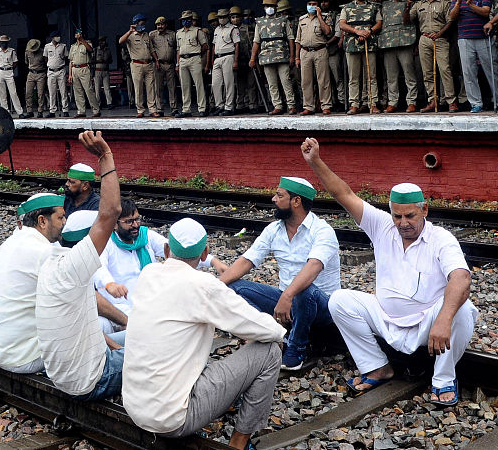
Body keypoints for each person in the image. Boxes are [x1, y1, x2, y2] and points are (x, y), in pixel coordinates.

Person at [301, 137, 477, 407]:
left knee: (462, 308)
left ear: (424, 210)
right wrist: (315, 162)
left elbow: (461, 278)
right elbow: (343, 194)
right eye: (397, 216)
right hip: (386, 318)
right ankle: (377, 367)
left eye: (410, 216)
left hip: (426, 321)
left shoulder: (441, 238)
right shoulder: (383, 226)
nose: (403, 223)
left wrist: (443, 319)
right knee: (339, 300)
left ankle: (443, 378)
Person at [122, 218, 285, 448]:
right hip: (172, 420)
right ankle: (239, 442)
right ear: (204, 253)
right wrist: (280, 334)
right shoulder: (203, 284)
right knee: (269, 351)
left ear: (167, 250)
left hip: (135, 408)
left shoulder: (148, 273)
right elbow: (263, 327)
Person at [37, 130, 126, 400]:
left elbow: (91, 328)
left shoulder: (52, 257)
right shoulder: (76, 266)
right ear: (88, 241)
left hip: (65, 373)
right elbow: (111, 213)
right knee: (163, 355)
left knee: (134, 341)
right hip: (91, 380)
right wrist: (106, 157)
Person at [219, 177, 341, 371]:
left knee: (304, 288)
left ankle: (296, 349)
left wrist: (287, 295)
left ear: (296, 201)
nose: (274, 199)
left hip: (322, 307)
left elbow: (314, 267)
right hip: (288, 304)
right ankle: (277, 336)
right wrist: (214, 287)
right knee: (234, 288)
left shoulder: (322, 231)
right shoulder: (274, 230)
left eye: (279, 195)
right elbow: (247, 260)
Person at [0, 192, 67, 373]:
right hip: (21, 359)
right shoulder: (44, 252)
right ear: (42, 221)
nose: (65, 222)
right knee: (101, 326)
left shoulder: (10, 242)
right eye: (60, 217)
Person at [95, 197, 213, 321]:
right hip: (120, 309)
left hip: (150, 305)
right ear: (114, 224)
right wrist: (110, 284)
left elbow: (179, 251)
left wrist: (212, 261)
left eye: (137, 219)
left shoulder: (145, 236)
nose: (135, 225)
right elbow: (98, 267)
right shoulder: (106, 244)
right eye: (129, 221)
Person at [449, 0, 498, 112]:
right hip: (465, 38)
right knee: (469, 72)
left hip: (483, 36)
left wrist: (471, 4)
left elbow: (485, 12)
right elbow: (452, 17)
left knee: (492, 70)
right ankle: (476, 103)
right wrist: (459, 2)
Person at [407, 0, 458, 112]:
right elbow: (407, 20)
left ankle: (451, 101)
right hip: (424, 39)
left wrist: (439, 33)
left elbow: (450, 21)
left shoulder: (444, 2)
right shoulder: (419, 4)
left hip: (440, 38)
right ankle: (432, 101)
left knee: (445, 70)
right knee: (427, 72)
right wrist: (407, 5)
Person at [377, 0, 420, 112]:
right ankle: (393, 102)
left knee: (409, 74)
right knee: (391, 77)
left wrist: (408, 5)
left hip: (406, 43)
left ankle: (412, 102)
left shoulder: (413, 4)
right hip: (388, 44)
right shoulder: (384, 5)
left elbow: (417, 24)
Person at [340, 0, 382, 114]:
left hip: (369, 44)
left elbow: (379, 23)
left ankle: (372, 103)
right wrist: (356, 31)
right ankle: (354, 104)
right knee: (354, 77)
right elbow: (342, 24)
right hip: (352, 44)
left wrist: (369, 32)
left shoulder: (374, 7)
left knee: (371, 76)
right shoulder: (346, 8)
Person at [252, 0, 298, 115]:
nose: (269, 8)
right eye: (267, 6)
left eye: (272, 6)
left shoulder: (284, 20)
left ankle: (291, 105)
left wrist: (292, 56)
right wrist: (253, 58)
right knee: (272, 84)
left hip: (282, 55)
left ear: (276, 7)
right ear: (264, 7)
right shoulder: (259, 22)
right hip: (266, 56)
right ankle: (277, 106)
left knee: (286, 81)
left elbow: (291, 39)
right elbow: (256, 41)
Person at [294, 0, 334, 115]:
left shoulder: (326, 17)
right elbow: (298, 40)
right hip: (305, 52)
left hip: (320, 50)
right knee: (306, 81)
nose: (311, 6)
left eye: (314, 4)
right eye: (309, 4)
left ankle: (325, 105)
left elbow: (327, 32)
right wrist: (296, 57)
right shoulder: (302, 19)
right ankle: (308, 107)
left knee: (323, 80)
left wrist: (320, 16)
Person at [119, 14, 160, 117]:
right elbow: (120, 41)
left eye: (143, 22)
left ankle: (152, 110)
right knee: (138, 88)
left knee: (150, 87)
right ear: (136, 23)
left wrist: (156, 60)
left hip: (149, 64)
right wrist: (130, 31)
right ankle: (140, 110)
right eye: (141, 22)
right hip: (137, 64)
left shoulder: (147, 35)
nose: (143, 24)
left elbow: (152, 49)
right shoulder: (131, 36)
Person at [175, 10, 210, 117]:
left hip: (194, 58)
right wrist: (177, 63)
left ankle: (202, 108)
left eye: (188, 19)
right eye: (184, 20)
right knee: (184, 86)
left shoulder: (197, 31)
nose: (186, 21)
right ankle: (186, 109)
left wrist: (197, 54)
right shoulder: (178, 33)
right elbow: (178, 50)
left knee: (198, 84)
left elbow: (205, 46)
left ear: (192, 20)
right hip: (183, 60)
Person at [211, 8, 241, 115]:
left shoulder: (233, 28)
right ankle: (219, 105)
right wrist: (212, 60)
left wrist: (235, 60)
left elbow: (237, 45)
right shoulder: (216, 30)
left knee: (229, 83)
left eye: (223, 17)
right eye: (220, 17)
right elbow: (214, 45)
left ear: (228, 17)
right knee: (215, 84)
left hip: (228, 56)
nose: (221, 19)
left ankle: (229, 106)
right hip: (217, 57)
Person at [320, 0, 346, 109]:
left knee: (338, 78)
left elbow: (336, 35)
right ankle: (330, 102)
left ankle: (342, 101)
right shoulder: (317, 16)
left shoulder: (336, 15)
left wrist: (325, 44)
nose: (323, 3)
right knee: (324, 80)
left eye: (326, 1)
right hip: (320, 53)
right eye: (322, 1)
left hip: (332, 50)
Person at [232, 7, 259, 113]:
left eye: (237, 17)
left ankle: (252, 105)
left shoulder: (248, 28)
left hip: (248, 58)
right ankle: (240, 105)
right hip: (238, 60)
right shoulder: (231, 29)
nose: (235, 19)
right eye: (233, 17)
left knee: (251, 84)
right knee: (239, 85)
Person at [69, 28, 101, 118]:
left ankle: (96, 110)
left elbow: (90, 50)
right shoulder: (73, 46)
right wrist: (70, 74)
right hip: (75, 68)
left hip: (84, 68)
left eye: (79, 33)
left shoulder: (87, 43)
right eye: (76, 33)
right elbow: (71, 61)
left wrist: (82, 40)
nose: (77, 35)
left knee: (88, 90)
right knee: (77, 91)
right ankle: (81, 111)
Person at [151, 17, 179, 116]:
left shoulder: (172, 34)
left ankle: (174, 108)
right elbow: (150, 49)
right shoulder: (152, 35)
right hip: (159, 64)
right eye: (158, 25)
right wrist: (155, 60)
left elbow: (177, 49)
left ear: (166, 25)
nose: (160, 26)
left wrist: (177, 64)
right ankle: (160, 109)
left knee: (172, 87)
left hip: (170, 64)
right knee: (158, 88)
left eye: (162, 24)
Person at [0, 35, 24, 117]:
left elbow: (15, 62)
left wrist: (10, 69)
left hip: (9, 71)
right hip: (0, 71)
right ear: (0, 43)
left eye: (5, 42)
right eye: (2, 42)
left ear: (7, 43)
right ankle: (5, 112)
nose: (3, 44)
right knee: (2, 94)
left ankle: (19, 112)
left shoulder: (12, 51)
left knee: (13, 93)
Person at [44, 31, 69, 117]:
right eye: (56, 36)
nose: (58, 37)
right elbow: (45, 59)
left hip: (61, 70)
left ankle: (65, 110)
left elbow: (66, 58)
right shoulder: (47, 47)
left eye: (59, 36)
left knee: (63, 91)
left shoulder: (63, 46)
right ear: (52, 37)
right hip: (51, 71)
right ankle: (52, 111)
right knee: (52, 92)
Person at [24, 38, 48, 117]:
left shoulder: (42, 52)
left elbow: (46, 62)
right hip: (31, 73)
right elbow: (26, 62)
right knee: (28, 92)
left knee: (40, 93)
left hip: (41, 73)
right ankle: (29, 110)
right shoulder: (27, 52)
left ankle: (40, 111)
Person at [94, 37, 114, 109]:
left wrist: (106, 61)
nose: (102, 43)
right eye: (100, 41)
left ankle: (109, 103)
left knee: (107, 88)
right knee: (97, 89)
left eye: (103, 41)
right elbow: (92, 61)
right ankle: (97, 104)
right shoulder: (95, 50)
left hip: (105, 70)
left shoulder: (108, 50)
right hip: (97, 70)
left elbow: (111, 60)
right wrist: (98, 61)